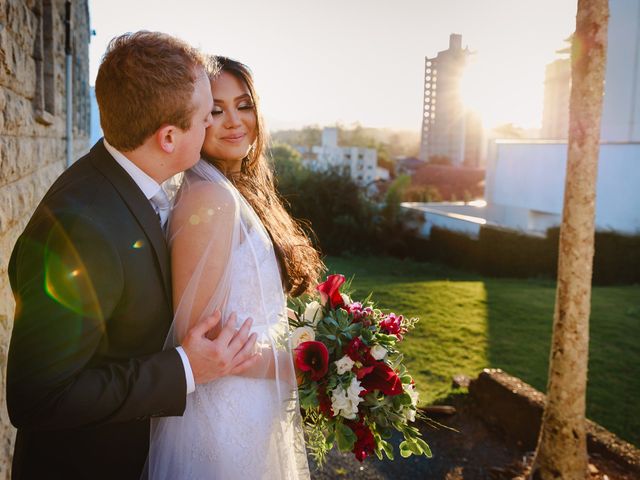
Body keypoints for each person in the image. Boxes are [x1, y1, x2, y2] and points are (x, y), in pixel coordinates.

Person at [6, 33, 259, 480]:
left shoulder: (121, 180)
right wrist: (185, 368)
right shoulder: (83, 229)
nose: (211, 126)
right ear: (168, 137)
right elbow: (38, 399)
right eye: (205, 116)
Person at [146, 57, 324, 479]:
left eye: (243, 105)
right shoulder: (209, 197)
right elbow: (203, 341)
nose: (233, 121)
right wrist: (301, 364)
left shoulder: (237, 188)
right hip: (223, 417)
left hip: (252, 402)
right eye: (216, 110)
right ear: (195, 119)